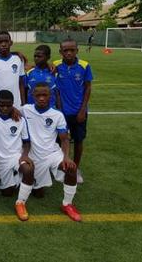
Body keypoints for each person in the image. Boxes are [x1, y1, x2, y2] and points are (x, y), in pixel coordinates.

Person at [20, 82, 81, 222]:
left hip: (52, 153)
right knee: (38, 193)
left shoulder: (57, 115)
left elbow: (65, 139)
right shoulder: (25, 109)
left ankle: (67, 204)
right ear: (32, 95)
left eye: (44, 95)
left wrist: (66, 157)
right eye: (38, 95)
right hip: (33, 155)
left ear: (50, 96)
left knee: (71, 169)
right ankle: (22, 199)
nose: (41, 98)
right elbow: (7, 111)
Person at [0, 90, 33, 221]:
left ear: (13, 104)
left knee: (28, 169)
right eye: (1, 105)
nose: (5, 108)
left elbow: (27, 142)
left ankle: (21, 203)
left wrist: (25, 156)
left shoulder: (20, 119)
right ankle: (1, 179)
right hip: (1, 161)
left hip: (16, 156)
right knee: (7, 193)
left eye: (8, 105)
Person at [54, 39, 93, 184]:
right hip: (62, 112)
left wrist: (83, 109)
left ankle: (75, 168)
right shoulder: (56, 66)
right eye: (65, 50)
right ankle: (60, 166)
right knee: (59, 140)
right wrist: (59, 110)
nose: (69, 53)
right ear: (61, 52)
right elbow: (55, 89)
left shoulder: (84, 66)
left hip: (78, 112)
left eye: (72, 50)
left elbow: (88, 88)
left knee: (78, 140)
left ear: (77, 50)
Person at [0, 31, 25, 114]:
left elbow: (21, 84)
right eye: (1, 42)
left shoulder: (18, 59)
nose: (3, 44)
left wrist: (23, 104)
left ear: (11, 43)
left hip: (16, 105)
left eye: (6, 41)